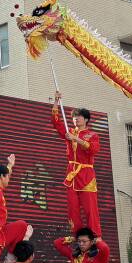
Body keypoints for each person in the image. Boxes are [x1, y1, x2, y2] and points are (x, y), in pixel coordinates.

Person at [50, 92, 101, 235]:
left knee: (90, 208)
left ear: (86, 119)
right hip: (72, 174)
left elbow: (93, 149)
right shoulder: (69, 131)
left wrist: (75, 139)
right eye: (74, 117)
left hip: (86, 174)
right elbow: (56, 122)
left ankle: (95, 236)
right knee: (73, 208)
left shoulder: (93, 135)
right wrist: (56, 101)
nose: (75, 119)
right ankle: (77, 235)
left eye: (78, 117)